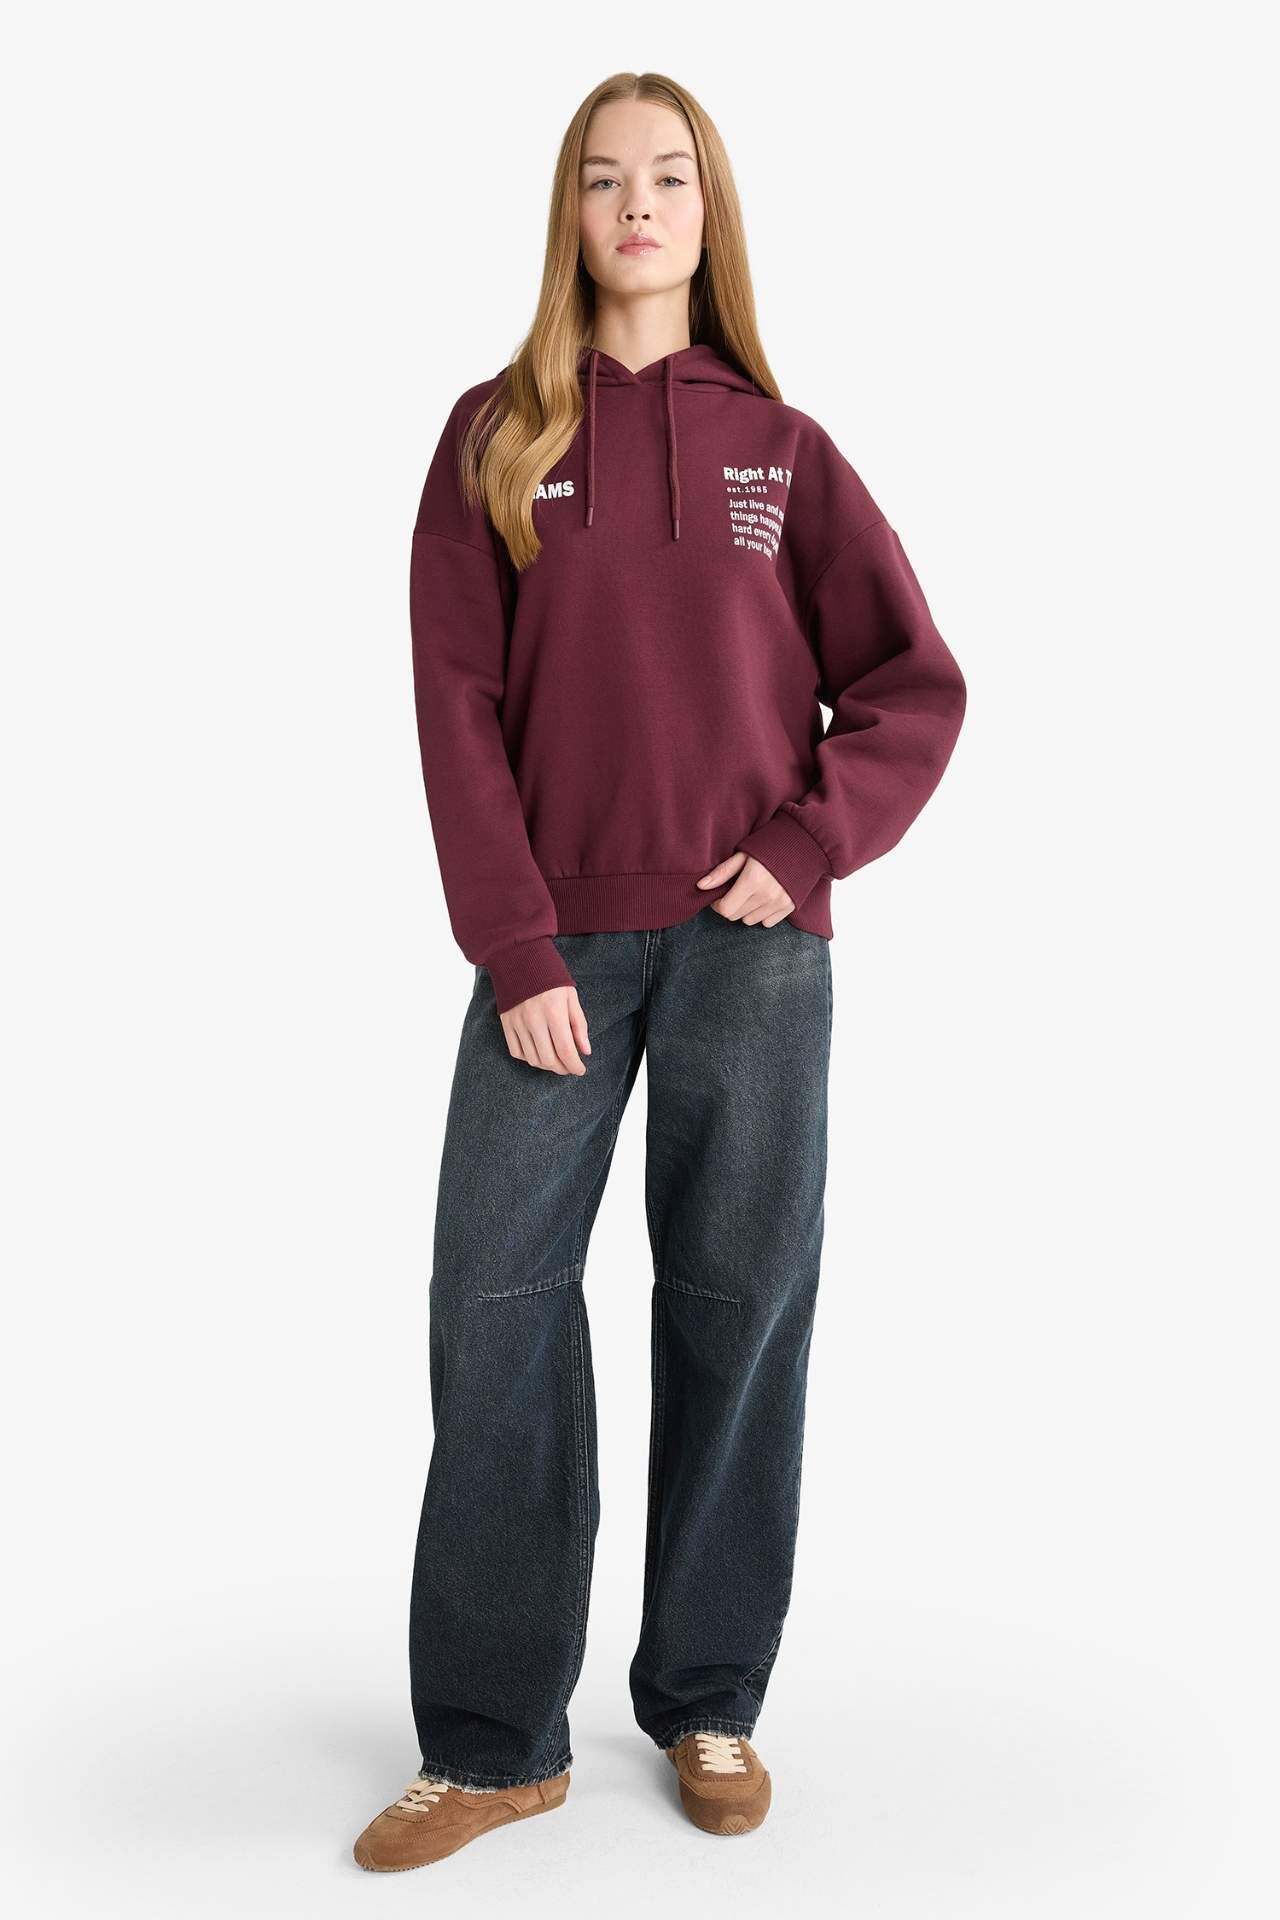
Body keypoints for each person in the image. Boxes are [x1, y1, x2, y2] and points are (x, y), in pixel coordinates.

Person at [353, 70, 966, 1872]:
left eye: (671, 177)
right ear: (570, 211)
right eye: (606, 178)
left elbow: (914, 684)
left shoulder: (784, 449)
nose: (638, 205)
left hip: (752, 954)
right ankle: (492, 1745)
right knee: (495, 1307)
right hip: (553, 951)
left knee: (738, 1304)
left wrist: (806, 844)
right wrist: (513, 942)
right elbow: (455, 708)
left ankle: (709, 1696)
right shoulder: (495, 436)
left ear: (710, 213)